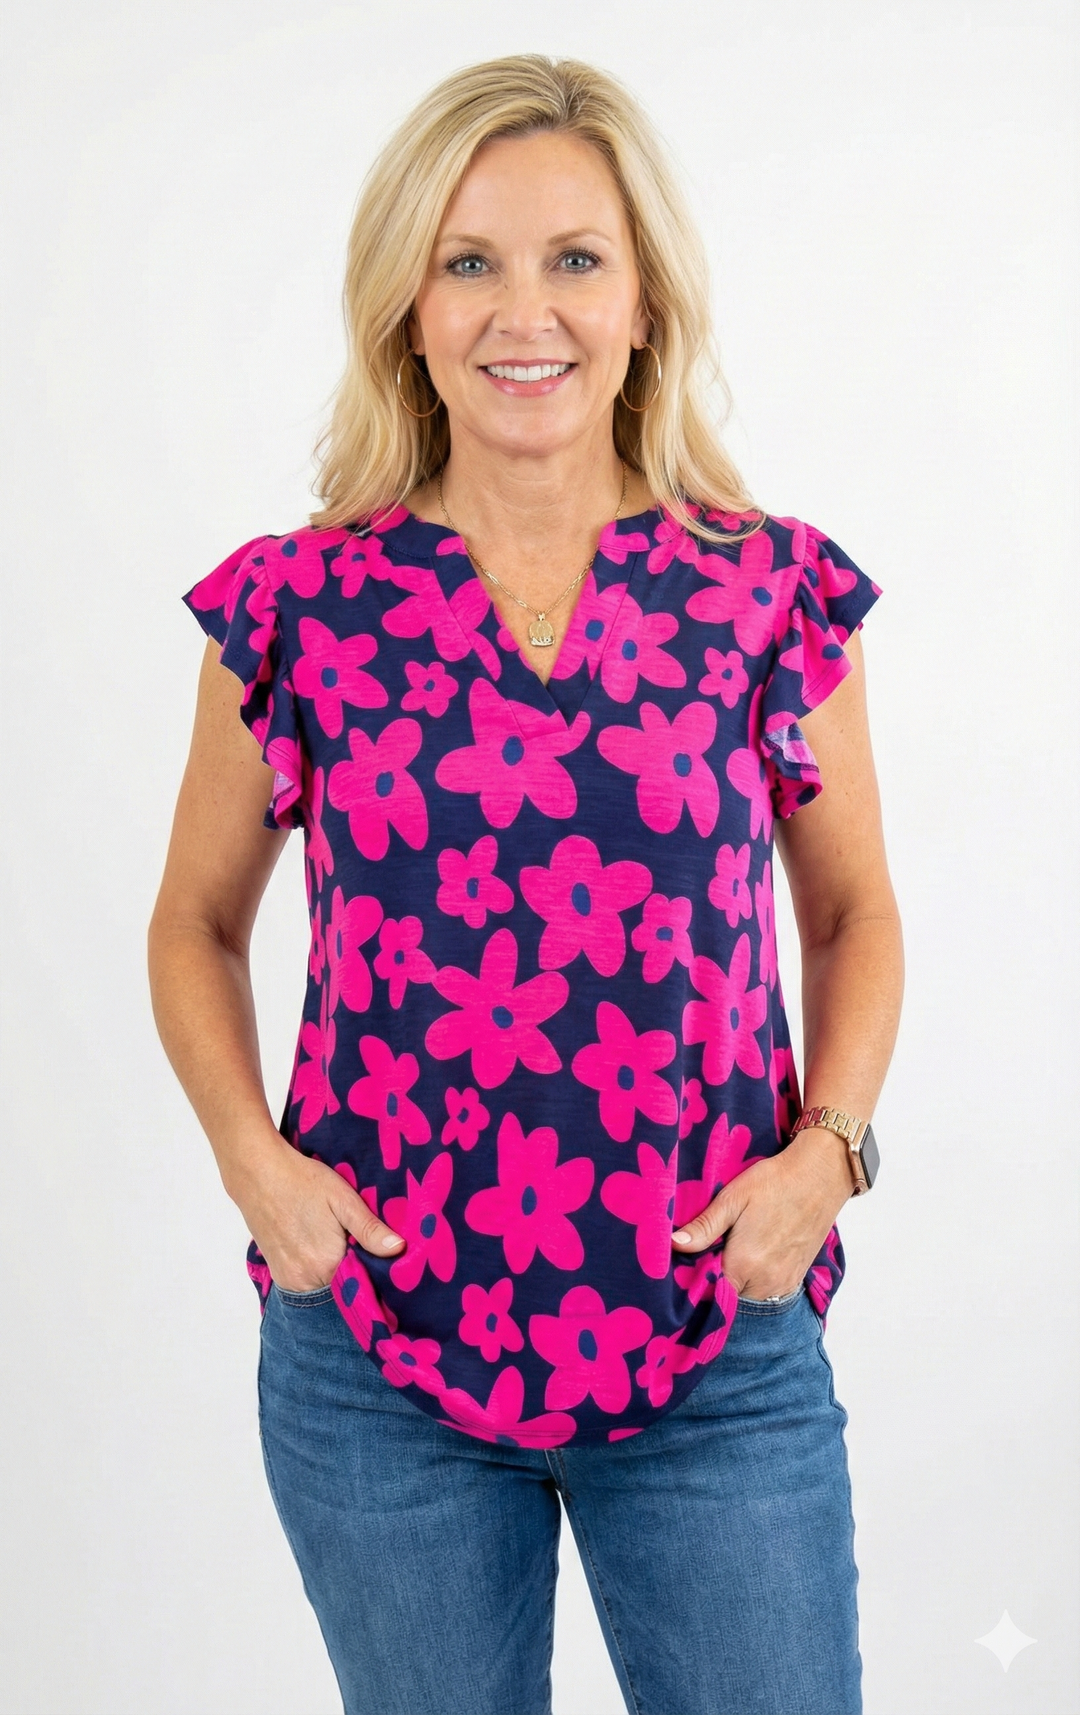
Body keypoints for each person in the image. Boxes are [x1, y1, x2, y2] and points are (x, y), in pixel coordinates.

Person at [148, 52, 903, 1715]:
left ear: (644, 305)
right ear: (406, 308)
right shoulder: (301, 608)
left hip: (716, 1336)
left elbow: (850, 910)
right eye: (468, 260)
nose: (523, 311)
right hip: (379, 1354)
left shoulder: (766, 592)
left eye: (576, 259)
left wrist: (828, 1158)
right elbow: (197, 920)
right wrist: (252, 1165)